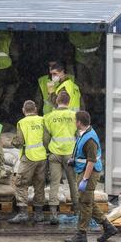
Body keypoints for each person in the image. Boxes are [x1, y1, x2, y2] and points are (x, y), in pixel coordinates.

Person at [64, 110, 117, 242]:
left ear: (79, 122)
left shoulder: (90, 139)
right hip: (82, 170)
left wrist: (85, 179)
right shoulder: (84, 134)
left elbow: (92, 161)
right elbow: (83, 154)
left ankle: (81, 234)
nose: (74, 122)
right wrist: (74, 160)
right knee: (87, 201)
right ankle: (108, 227)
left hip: (89, 173)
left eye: (75, 120)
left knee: (85, 203)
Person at [8, 100, 48, 224]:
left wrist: (12, 142)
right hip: (41, 156)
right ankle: (39, 214)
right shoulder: (42, 120)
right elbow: (46, 139)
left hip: (28, 158)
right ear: (35, 109)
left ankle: (23, 213)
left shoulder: (22, 122)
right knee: (39, 184)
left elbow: (19, 142)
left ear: (23, 110)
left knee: (20, 183)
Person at [44, 91, 79, 224]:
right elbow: (79, 134)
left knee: (54, 183)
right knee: (73, 182)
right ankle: (77, 211)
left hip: (55, 153)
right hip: (70, 154)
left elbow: (46, 139)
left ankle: (53, 214)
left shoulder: (48, 117)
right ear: (68, 102)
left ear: (57, 101)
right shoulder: (75, 116)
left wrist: (48, 151)